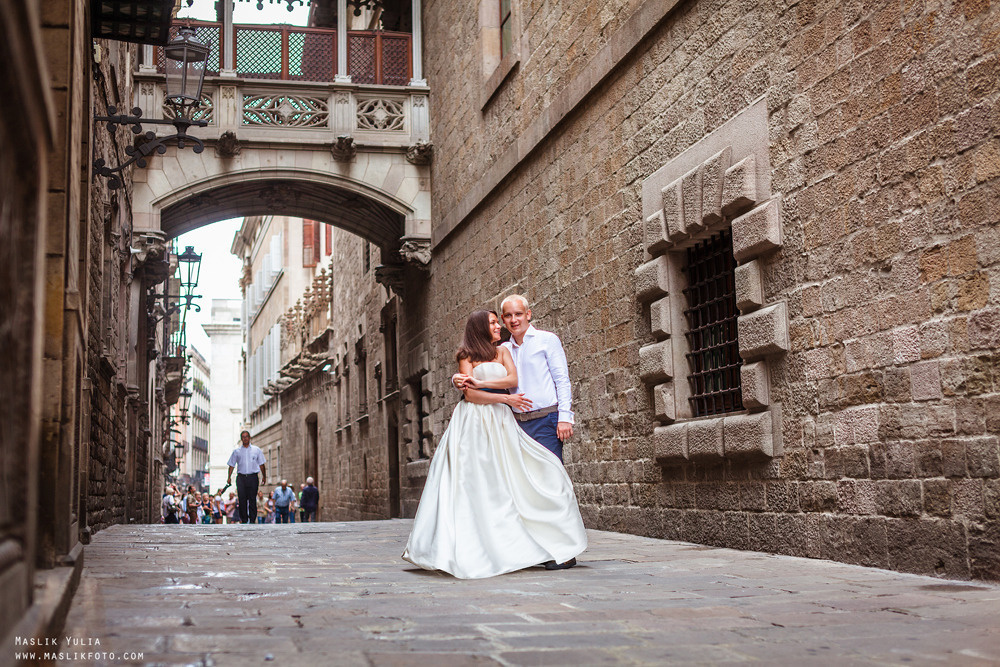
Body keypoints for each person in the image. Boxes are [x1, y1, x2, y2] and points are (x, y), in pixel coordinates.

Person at [403, 309, 587, 579]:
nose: (499, 325)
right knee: (477, 480)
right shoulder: (465, 355)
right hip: (474, 422)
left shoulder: (503, 351)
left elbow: (512, 380)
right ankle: (479, 543)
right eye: (493, 322)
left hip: (502, 422)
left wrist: (482, 382)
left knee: (523, 475)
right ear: (480, 327)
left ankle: (556, 542)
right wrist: (503, 398)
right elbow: (472, 396)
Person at [226, 430, 267, 524]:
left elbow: (262, 464)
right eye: (243, 437)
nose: (245, 438)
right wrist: (229, 477)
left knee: (252, 498)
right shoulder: (236, 451)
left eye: (246, 436)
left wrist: (264, 477)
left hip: (253, 477)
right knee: (242, 499)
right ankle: (244, 519)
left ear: (249, 438)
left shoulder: (256, 450)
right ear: (241, 439)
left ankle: (252, 519)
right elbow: (231, 465)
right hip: (241, 478)